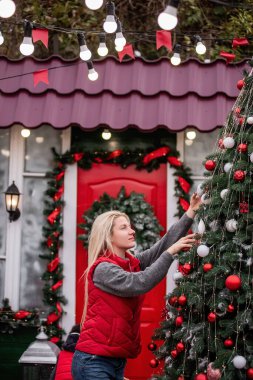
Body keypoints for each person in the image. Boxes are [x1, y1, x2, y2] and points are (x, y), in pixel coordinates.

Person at [72, 193, 201, 380]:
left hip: (115, 360)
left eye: (130, 226)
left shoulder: (130, 263)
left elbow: (162, 246)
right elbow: (140, 283)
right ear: (109, 236)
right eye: (124, 228)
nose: (132, 231)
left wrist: (190, 212)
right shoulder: (103, 268)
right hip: (94, 361)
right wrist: (171, 253)